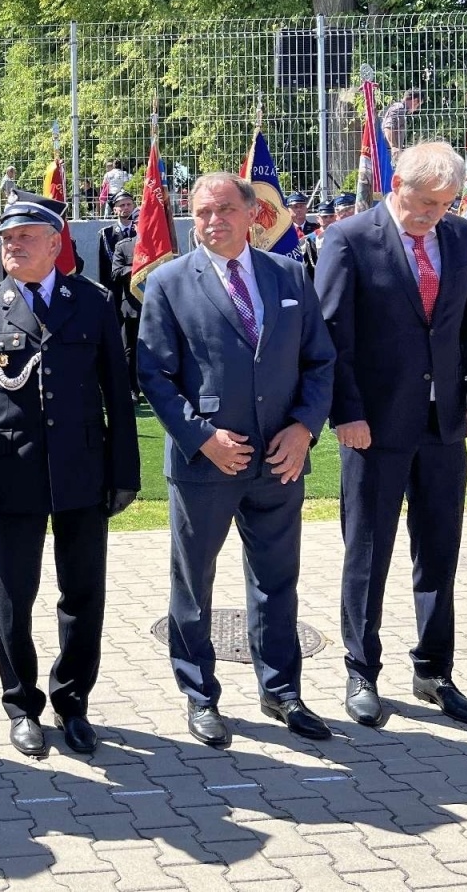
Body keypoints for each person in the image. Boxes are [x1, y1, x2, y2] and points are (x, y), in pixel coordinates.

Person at [138, 174, 336, 747]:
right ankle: (200, 694)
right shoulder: (170, 282)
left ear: (253, 213)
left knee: (277, 581)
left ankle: (282, 691)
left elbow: (320, 361)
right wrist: (201, 438)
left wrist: (304, 429)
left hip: (279, 459)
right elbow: (154, 373)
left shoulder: (289, 275)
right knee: (193, 583)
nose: (213, 221)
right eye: (202, 212)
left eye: (225, 209)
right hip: (206, 464)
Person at [315, 141, 467, 731]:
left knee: (440, 551)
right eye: (424, 203)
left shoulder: (460, 238)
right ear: (396, 185)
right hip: (373, 426)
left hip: (444, 424)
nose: (431, 215)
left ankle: (434, 670)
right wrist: (346, 413)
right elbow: (332, 337)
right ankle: (361, 671)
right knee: (368, 552)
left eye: (444, 204)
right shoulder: (348, 239)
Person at [0, 193, 139, 758]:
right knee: (14, 596)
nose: (12, 244)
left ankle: (73, 701)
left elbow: (118, 396)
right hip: (11, 473)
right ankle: (21, 704)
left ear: (56, 243)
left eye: (26, 236)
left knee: (82, 594)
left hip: (82, 471)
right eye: (7, 238)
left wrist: (123, 473)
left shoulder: (92, 302)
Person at [98, 192, 138, 393]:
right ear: (114, 209)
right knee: (122, 343)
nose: (125, 208)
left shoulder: (143, 231)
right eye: (121, 205)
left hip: (140, 297)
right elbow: (105, 270)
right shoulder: (106, 234)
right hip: (117, 296)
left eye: (129, 204)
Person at [380, 89, 422, 158]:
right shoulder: (399, 108)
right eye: (418, 105)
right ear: (415, 100)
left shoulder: (401, 109)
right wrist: (394, 147)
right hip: (387, 152)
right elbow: (388, 127)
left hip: (389, 151)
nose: (416, 109)